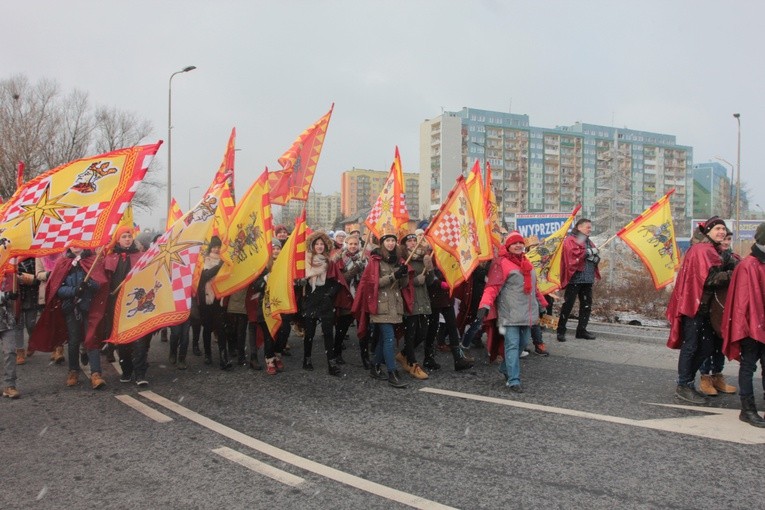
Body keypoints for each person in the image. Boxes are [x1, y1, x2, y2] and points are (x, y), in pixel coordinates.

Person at [667, 216, 730, 405]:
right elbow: (709, 279)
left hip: (703, 308)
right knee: (692, 346)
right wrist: (733, 273)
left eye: (723, 229)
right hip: (694, 307)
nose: (721, 232)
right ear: (708, 231)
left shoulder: (711, 249)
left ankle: (688, 382)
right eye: (717, 228)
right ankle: (683, 384)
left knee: (706, 347)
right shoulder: (703, 250)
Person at [475, 231, 546, 393]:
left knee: (522, 345)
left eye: (521, 243)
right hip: (509, 313)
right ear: (508, 246)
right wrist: (484, 305)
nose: (518, 245)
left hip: (527, 314)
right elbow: (492, 287)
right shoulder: (501, 263)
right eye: (514, 243)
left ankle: (504, 368)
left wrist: (542, 303)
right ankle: (513, 380)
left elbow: (535, 288)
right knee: (512, 345)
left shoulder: (527, 262)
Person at [30, 246, 108, 389]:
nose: (76, 247)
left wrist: (88, 284)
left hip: (89, 307)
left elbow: (99, 284)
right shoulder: (63, 262)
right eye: (73, 244)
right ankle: (73, 371)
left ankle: (96, 374)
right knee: (74, 340)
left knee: (91, 338)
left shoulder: (91, 260)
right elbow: (58, 287)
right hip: (71, 307)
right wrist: (74, 290)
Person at [352, 231, 411, 388]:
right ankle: (392, 372)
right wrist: (393, 276)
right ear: (382, 243)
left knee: (384, 340)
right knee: (389, 339)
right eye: (388, 240)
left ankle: (374, 366)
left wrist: (404, 274)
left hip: (395, 305)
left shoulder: (399, 260)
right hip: (380, 305)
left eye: (393, 240)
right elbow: (372, 283)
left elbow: (404, 285)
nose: (391, 243)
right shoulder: (375, 260)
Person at [721, 222, 765, 427]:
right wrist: (749, 327)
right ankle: (747, 410)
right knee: (748, 366)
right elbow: (742, 302)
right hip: (750, 327)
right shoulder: (748, 265)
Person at [698, 228, 738, 396]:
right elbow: (709, 279)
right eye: (724, 238)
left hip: (722, 309)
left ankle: (717, 376)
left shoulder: (730, 257)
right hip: (707, 307)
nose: (727, 242)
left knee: (720, 344)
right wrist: (730, 274)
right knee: (707, 344)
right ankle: (705, 377)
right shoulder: (708, 254)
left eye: (729, 238)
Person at [298, 231, 343, 376]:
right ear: (312, 245)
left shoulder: (329, 262)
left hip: (324, 300)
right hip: (310, 299)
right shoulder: (305, 261)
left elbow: (337, 281)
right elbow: (297, 281)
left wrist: (329, 294)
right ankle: (307, 359)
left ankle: (331, 363)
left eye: (321, 244)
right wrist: (301, 282)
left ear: (325, 246)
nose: (319, 246)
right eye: (316, 244)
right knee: (309, 333)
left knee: (328, 332)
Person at [556, 218, 600, 342]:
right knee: (568, 305)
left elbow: (589, 254)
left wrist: (596, 258)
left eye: (590, 227)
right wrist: (589, 252)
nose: (590, 229)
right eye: (588, 227)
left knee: (586, 305)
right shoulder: (572, 239)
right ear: (579, 227)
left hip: (587, 278)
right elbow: (574, 254)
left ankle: (581, 330)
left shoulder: (587, 241)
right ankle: (561, 330)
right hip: (575, 278)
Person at [396, 232, 433, 380]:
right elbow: (399, 283)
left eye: (414, 240)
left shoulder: (423, 258)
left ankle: (404, 354)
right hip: (409, 299)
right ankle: (412, 364)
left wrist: (429, 269)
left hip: (423, 299)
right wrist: (414, 281)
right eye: (409, 241)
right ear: (404, 244)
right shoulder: (403, 260)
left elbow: (429, 282)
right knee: (410, 333)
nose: (412, 243)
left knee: (423, 333)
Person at [198, 236, 232, 369]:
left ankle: (224, 358)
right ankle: (208, 354)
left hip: (219, 299)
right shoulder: (204, 260)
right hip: (206, 299)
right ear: (210, 247)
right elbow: (206, 275)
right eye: (214, 247)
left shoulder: (225, 262)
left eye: (219, 247)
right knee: (207, 328)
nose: (217, 250)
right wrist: (219, 266)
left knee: (221, 329)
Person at [1, 274, 21, 399]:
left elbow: (21, 279)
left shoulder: (8, 272)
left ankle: (10, 385)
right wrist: (5, 295)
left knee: (10, 352)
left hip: (7, 320)